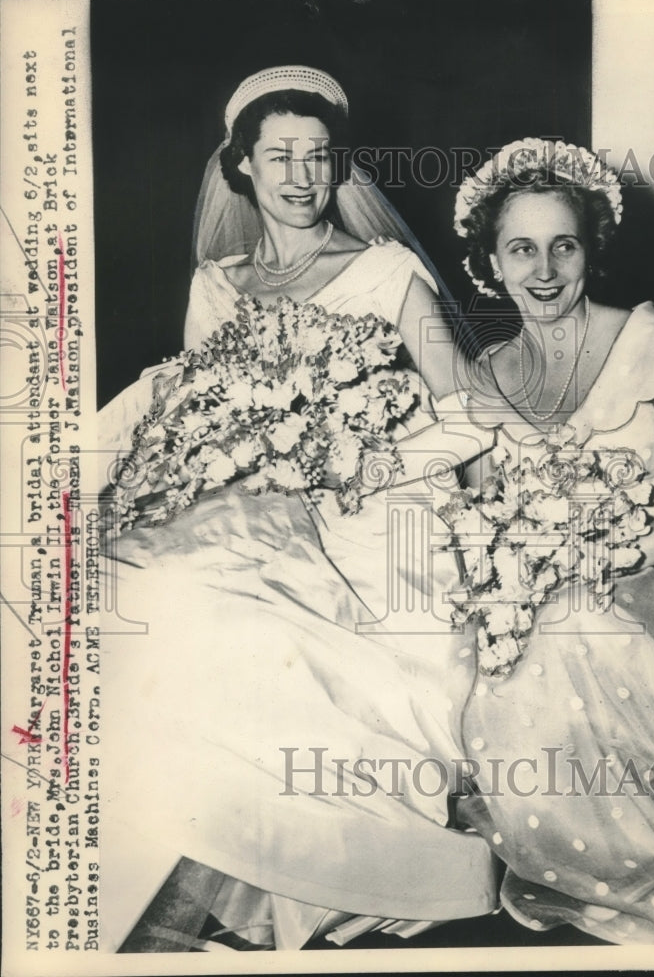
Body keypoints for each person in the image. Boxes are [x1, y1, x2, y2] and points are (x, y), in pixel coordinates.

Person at [98, 67, 497, 952]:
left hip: (368, 493)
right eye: (278, 156)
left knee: (276, 638)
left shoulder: (384, 270)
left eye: (317, 156)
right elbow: (193, 417)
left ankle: (305, 870)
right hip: (244, 502)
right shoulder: (217, 282)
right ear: (241, 166)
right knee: (153, 606)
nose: (300, 175)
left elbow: (468, 409)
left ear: (337, 166)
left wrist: (367, 462)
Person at [429, 137, 654, 944]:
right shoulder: (484, 381)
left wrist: (617, 555)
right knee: (493, 645)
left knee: (584, 621)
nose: (544, 270)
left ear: (591, 252)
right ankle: (599, 852)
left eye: (564, 246)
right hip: (554, 580)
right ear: (491, 263)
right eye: (521, 249)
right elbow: (485, 515)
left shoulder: (647, 345)